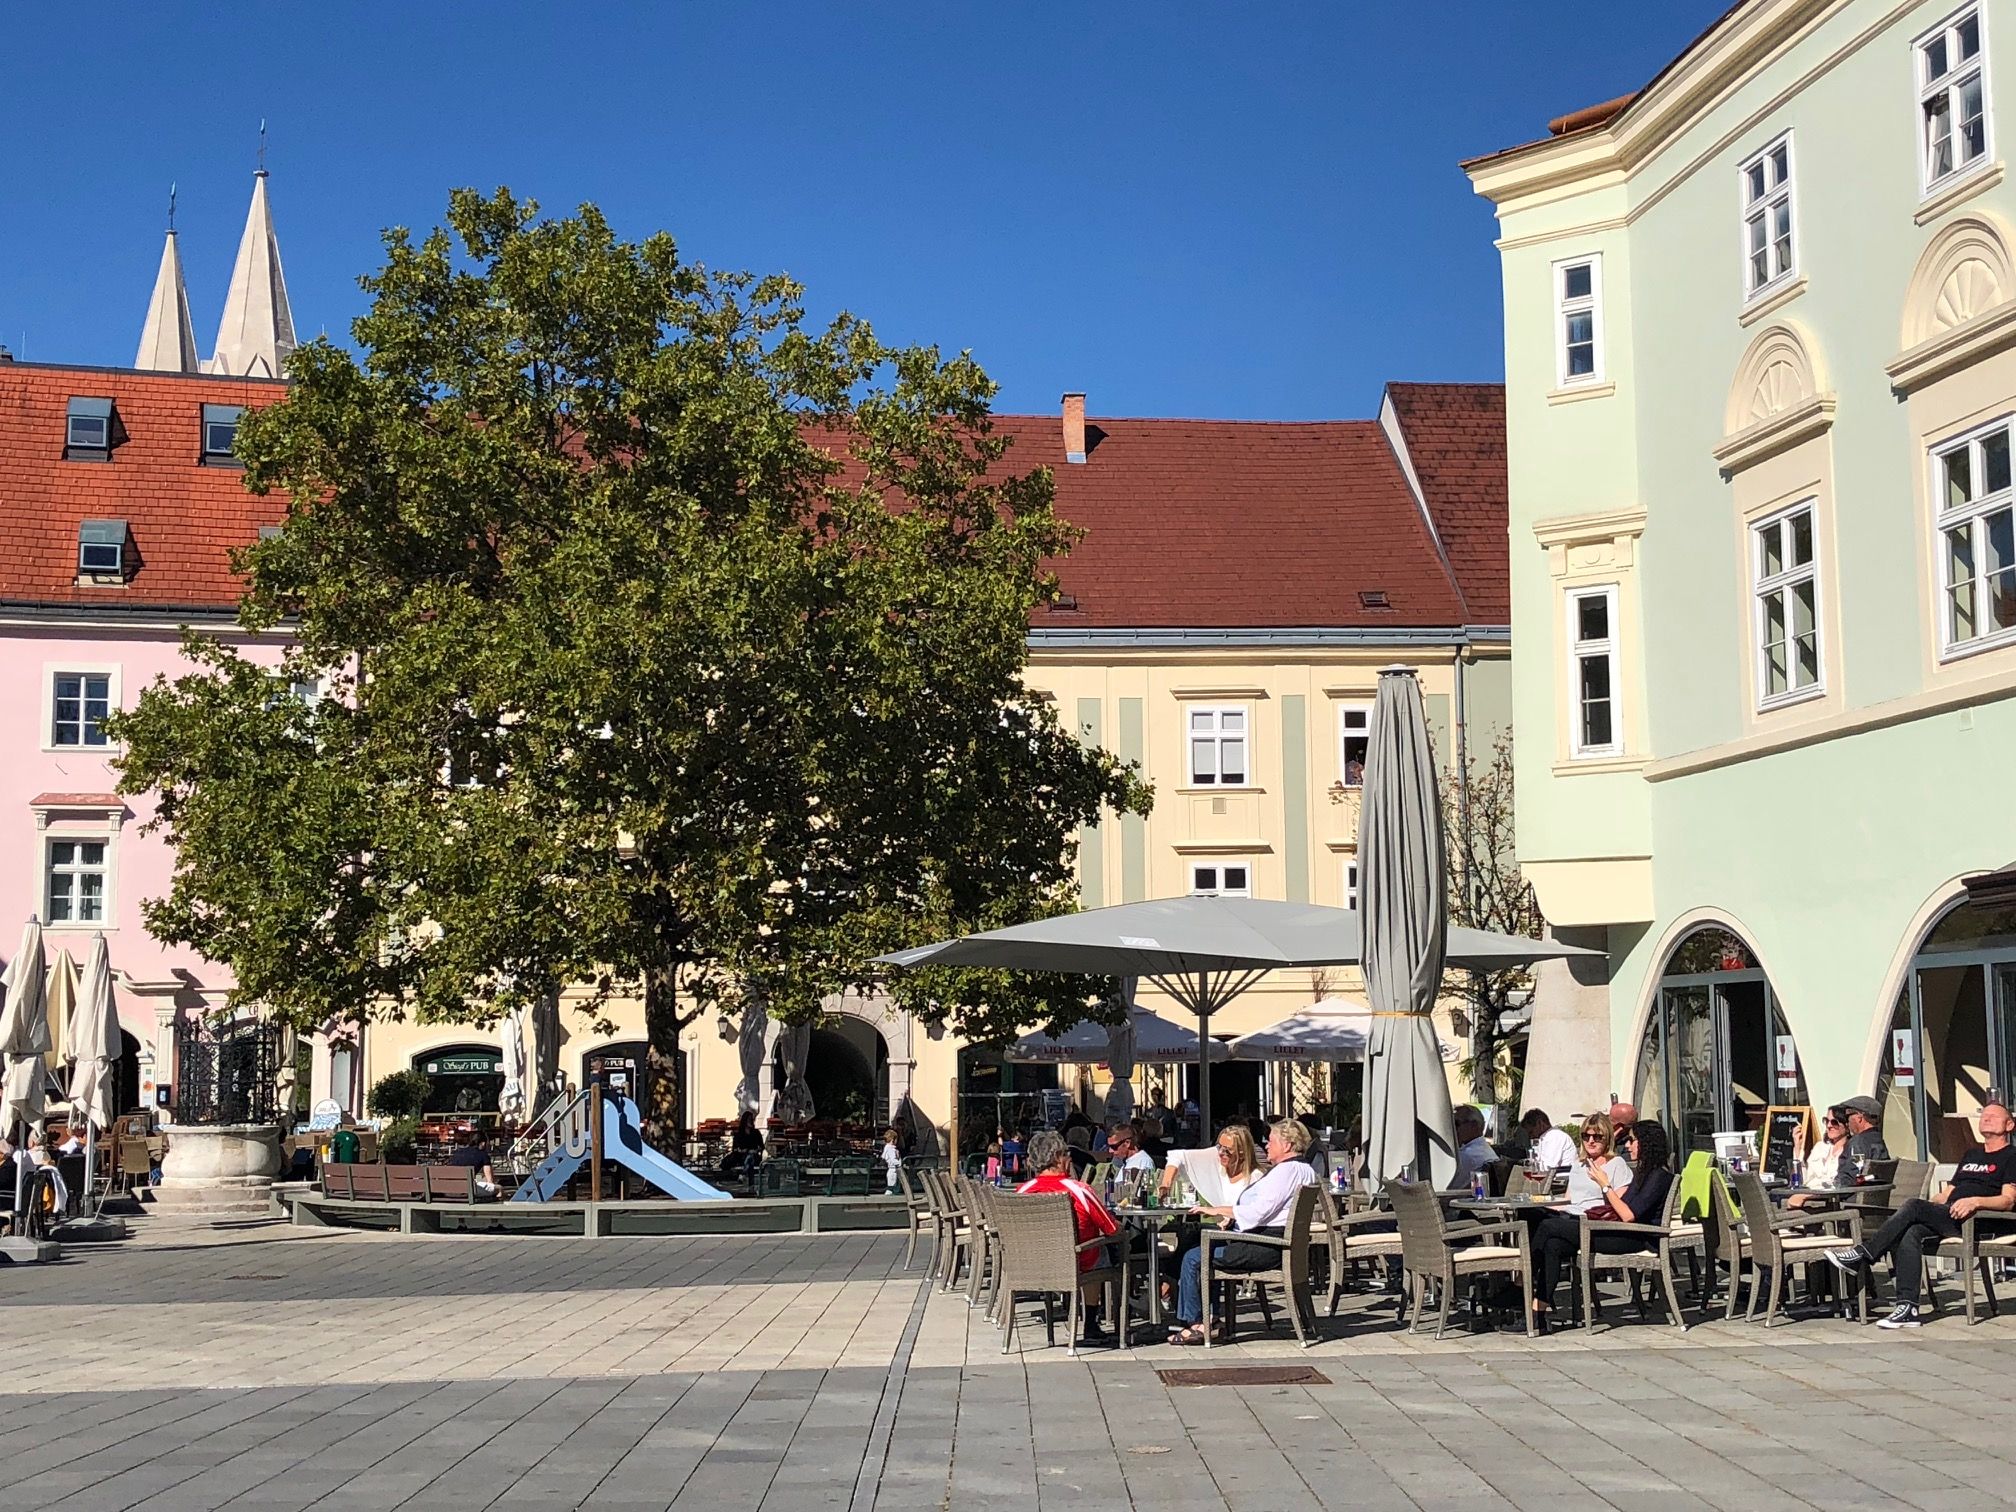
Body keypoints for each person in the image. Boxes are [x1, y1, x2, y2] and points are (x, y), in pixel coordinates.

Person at [1828, 1102, 2016, 1329]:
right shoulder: (1971, 1154)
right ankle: (1907, 1307)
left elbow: (2008, 1200)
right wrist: (1927, 1206)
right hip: (1952, 1215)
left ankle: (1864, 1254)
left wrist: (1975, 1202)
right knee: (1912, 1230)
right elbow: (1946, 1194)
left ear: (2010, 1124)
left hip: (1983, 1220)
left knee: (1914, 1207)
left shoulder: (2011, 1156)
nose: (1986, 1118)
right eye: (1983, 1115)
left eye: (1993, 1116)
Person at [1168, 1116, 1319, 1345]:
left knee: (1194, 1258)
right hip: (1278, 1244)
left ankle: (1197, 1324)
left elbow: (1258, 1211)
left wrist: (1217, 1210)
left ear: (1286, 1145)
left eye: (1271, 1141)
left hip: (1266, 1246)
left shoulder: (1284, 1173)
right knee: (1207, 1247)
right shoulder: (1304, 1170)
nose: (1266, 1145)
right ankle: (1212, 1319)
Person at [1528, 1120, 1672, 1333]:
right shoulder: (1643, 1173)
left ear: (1647, 1143)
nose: (1628, 1146)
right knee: (1554, 1244)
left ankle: (1520, 1285)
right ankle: (1536, 1314)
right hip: (1616, 1231)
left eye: (1632, 1141)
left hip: (1634, 1237)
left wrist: (1604, 1185)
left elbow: (1628, 1215)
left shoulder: (1659, 1176)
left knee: (1549, 1226)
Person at [1016, 1129, 1120, 1340]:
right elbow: (1111, 1228)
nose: (1069, 1157)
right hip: (1076, 1261)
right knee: (1103, 1251)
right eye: (1066, 1153)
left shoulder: (1022, 1192)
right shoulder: (1078, 1190)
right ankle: (1092, 1322)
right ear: (1057, 1158)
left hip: (1032, 1263)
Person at [1790, 1106, 1851, 1205]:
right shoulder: (1820, 1147)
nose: (1829, 1125)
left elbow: (1839, 1183)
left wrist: (1806, 1196)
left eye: (1834, 1122)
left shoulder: (1849, 1150)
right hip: (1809, 1194)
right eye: (1826, 1121)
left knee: (1792, 1202)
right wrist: (1798, 1147)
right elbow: (1804, 1180)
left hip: (1829, 1198)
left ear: (1847, 1126)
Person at [1519, 1109, 1577, 1175]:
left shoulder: (1554, 1136)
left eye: (1531, 1132)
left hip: (1561, 1180)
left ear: (1540, 1123)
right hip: (1553, 1179)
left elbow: (1548, 1167)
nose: (1531, 1137)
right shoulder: (1547, 1137)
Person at [1839, 1096, 1892, 1165]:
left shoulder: (1858, 1143)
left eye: (1847, 1116)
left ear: (1859, 1117)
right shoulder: (1878, 1140)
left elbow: (1854, 1170)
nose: (1847, 1122)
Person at [1453, 1105, 1495, 1188]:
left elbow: (1444, 1187)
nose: (1453, 1128)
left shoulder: (1468, 1155)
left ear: (1473, 1126)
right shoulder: (1484, 1150)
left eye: (1456, 1123)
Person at [448, 1129, 499, 1197]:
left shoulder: (457, 1153)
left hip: (448, 1189)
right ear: (483, 1143)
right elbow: (490, 1181)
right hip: (467, 1190)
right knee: (499, 1188)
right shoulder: (483, 1155)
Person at [879, 1127, 903, 1194]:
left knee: (892, 1183)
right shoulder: (891, 1149)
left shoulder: (888, 1148)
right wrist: (900, 1164)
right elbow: (893, 1159)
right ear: (893, 1140)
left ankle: (893, 1192)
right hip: (893, 1169)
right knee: (891, 1185)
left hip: (892, 1169)